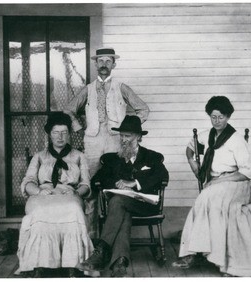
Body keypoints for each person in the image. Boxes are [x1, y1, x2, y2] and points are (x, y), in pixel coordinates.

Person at [172, 96, 251, 277]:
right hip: (214, 184)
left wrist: (217, 182)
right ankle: (196, 251)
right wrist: (193, 163)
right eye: (213, 117)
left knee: (205, 198)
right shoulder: (207, 135)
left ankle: (202, 253)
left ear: (228, 117)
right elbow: (190, 148)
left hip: (236, 183)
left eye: (221, 117)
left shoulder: (236, 140)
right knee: (206, 200)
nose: (217, 121)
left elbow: (245, 173)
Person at [76, 115, 169, 277]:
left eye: (128, 136)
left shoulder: (151, 157)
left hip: (144, 205)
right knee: (120, 206)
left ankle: (102, 250)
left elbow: (162, 175)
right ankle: (120, 262)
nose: (124, 140)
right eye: (122, 136)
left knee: (118, 203)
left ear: (139, 137)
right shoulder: (112, 159)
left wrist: (135, 182)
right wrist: (116, 182)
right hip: (119, 205)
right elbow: (97, 180)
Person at [15, 112, 96, 278]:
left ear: (69, 134)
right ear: (49, 134)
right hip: (42, 195)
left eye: (64, 132)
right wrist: (39, 191)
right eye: (56, 132)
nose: (60, 137)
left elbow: (86, 185)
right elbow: (28, 182)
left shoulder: (79, 156)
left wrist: (75, 191)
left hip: (69, 194)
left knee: (74, 208)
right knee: (38, 213)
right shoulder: (39, 157)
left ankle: (73, 264)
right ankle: (38, 264)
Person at [64, 47, 150, 177]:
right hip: (92, 139)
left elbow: (143, 109)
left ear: (113, 65)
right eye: (101, 61)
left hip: (116, 138)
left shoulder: (122, 88)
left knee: (116, 171)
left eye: (108, 61)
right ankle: (93, 198)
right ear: (95, 64)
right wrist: (79, 129)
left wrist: (129, 128)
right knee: (91, 173)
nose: (104, 65)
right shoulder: (88, 89)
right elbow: (68, 110)